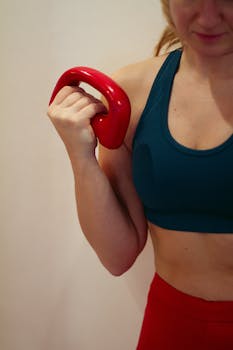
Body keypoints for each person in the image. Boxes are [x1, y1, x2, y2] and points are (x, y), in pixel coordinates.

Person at [47, 0, 233, 349]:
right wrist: (79, 153)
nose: (208, 16)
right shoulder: (132, 92)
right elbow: (117, 256)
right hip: (171, 326)